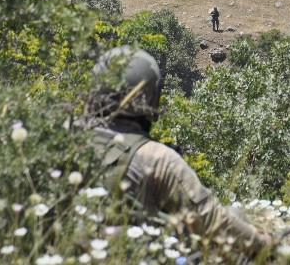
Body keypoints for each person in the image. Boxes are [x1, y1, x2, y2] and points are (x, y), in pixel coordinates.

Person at [86, 47, 273, 260]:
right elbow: (212, 220)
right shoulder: (155, 157)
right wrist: (265, 243)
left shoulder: (62, 138)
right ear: (151, 95)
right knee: (235, 224)